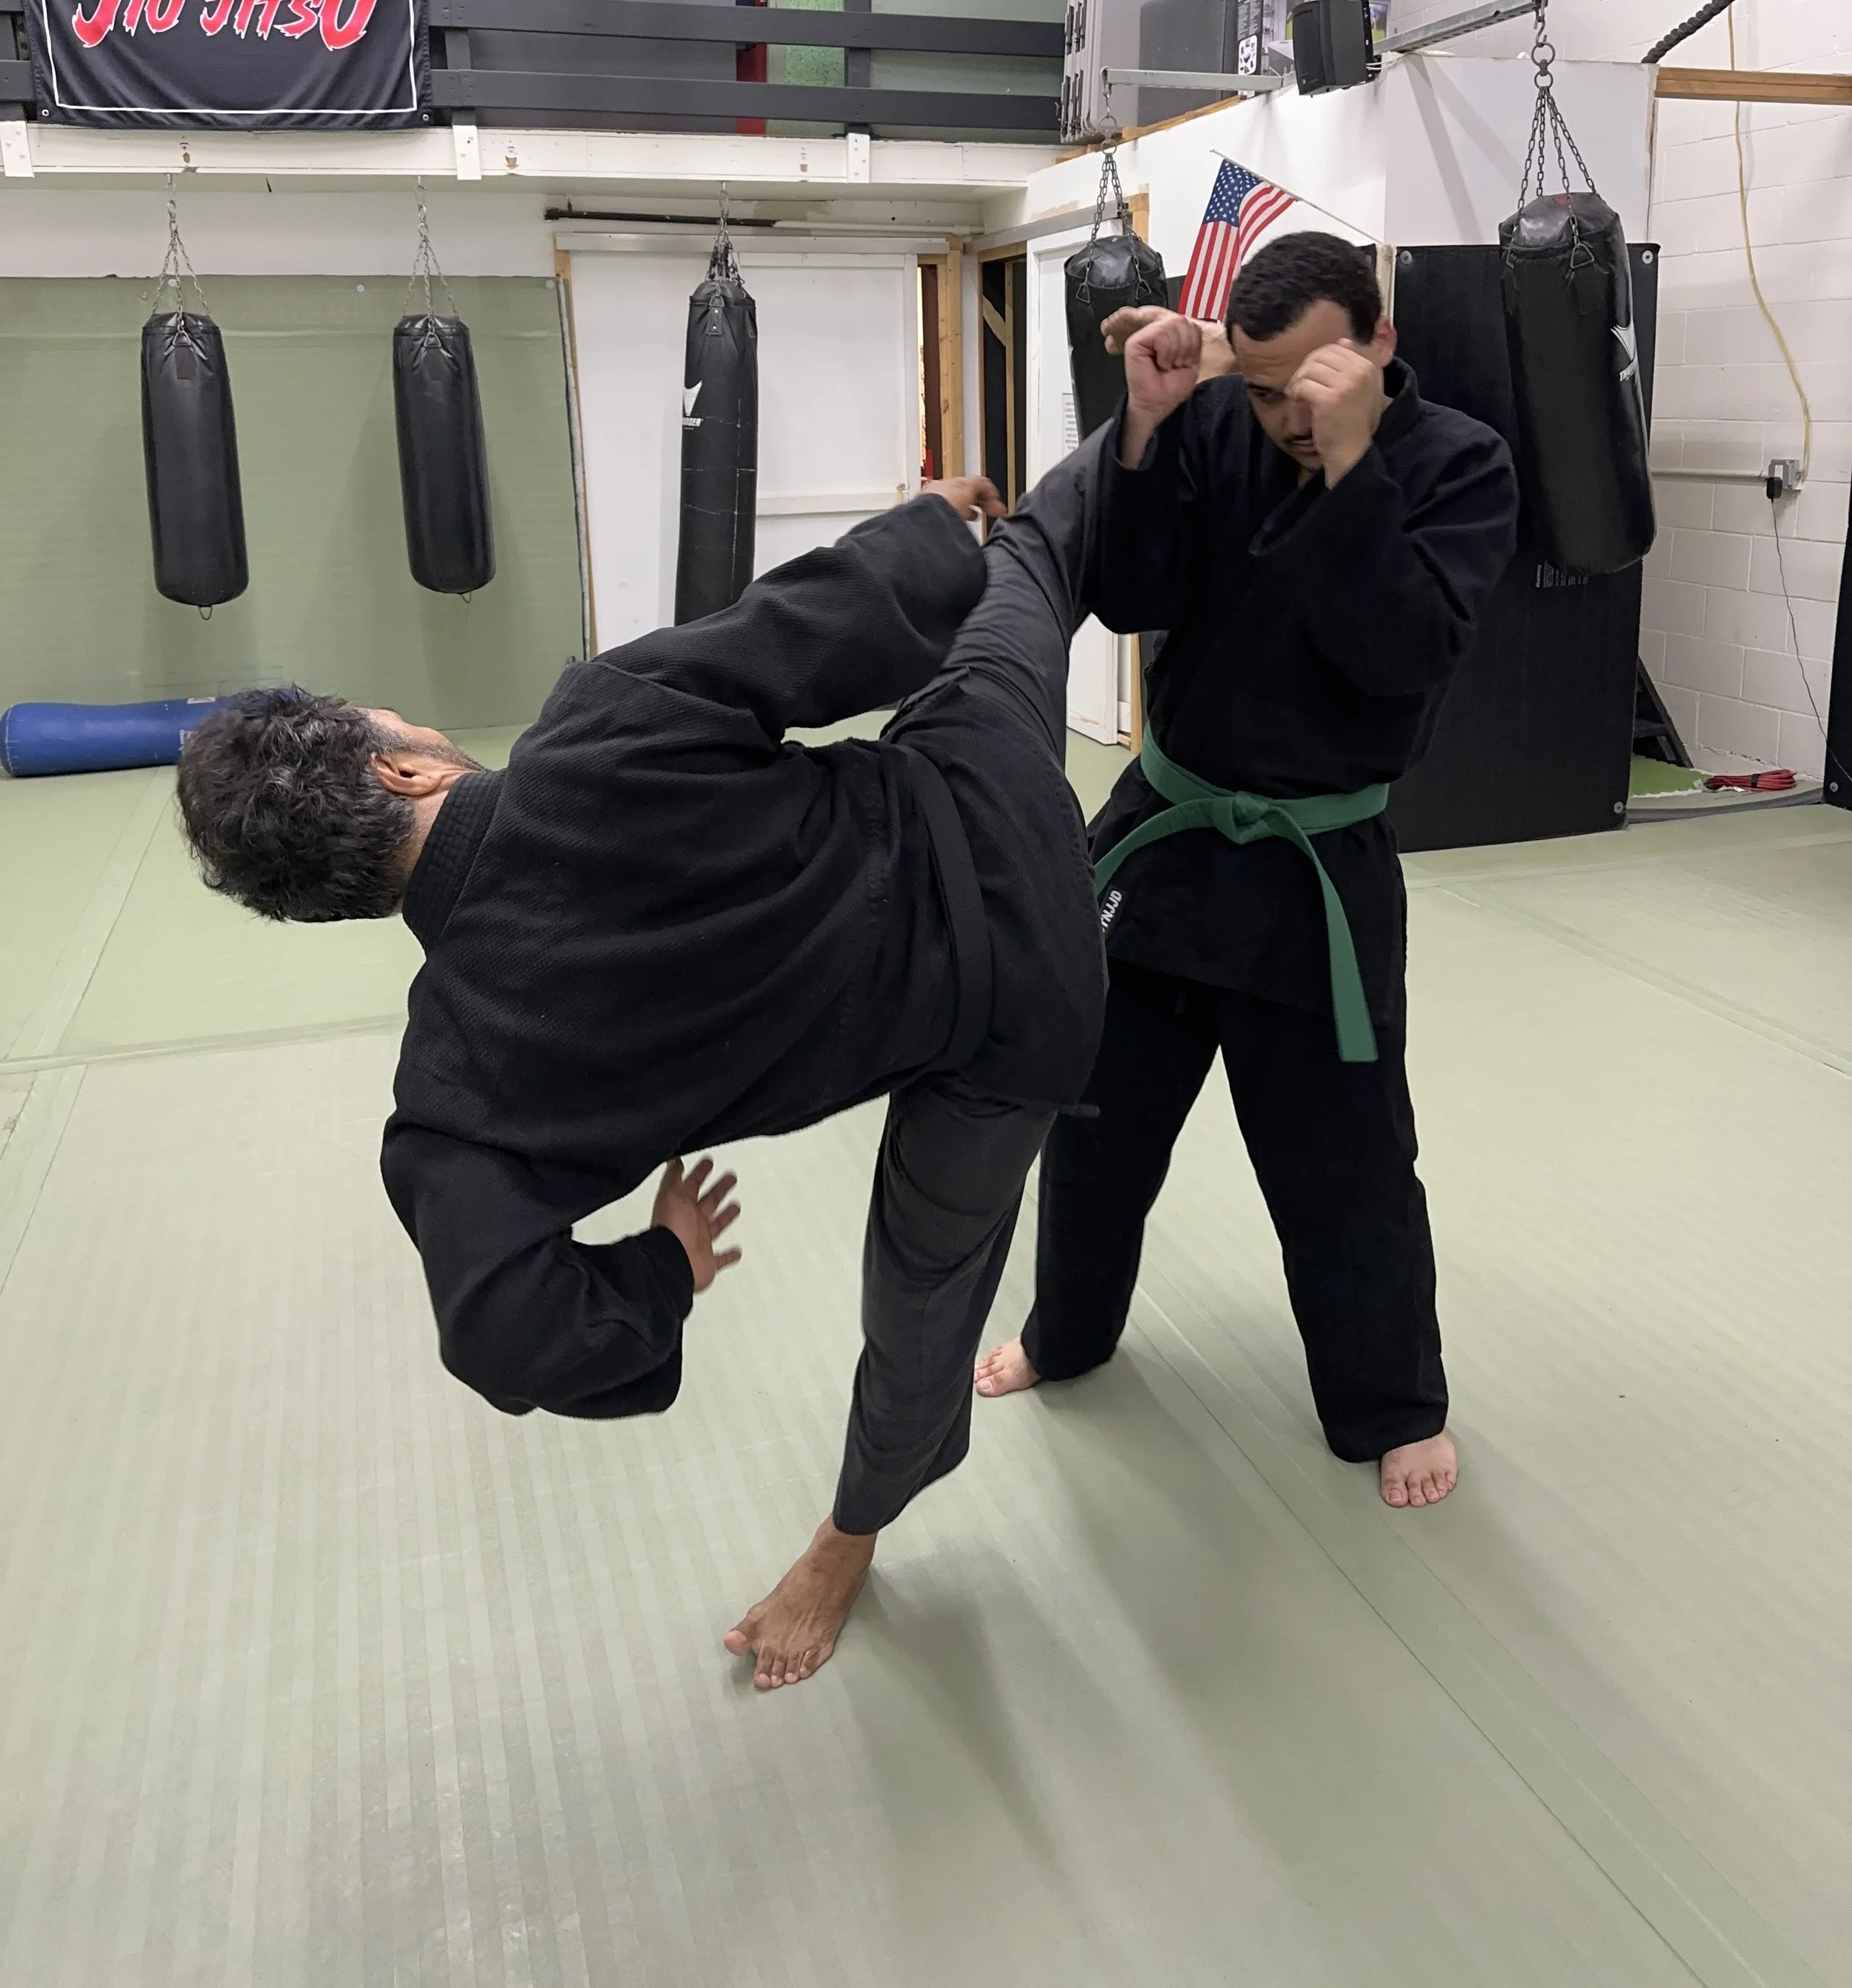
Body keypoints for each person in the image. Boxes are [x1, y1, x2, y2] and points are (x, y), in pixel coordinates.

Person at [176, 461, 1109, 1690]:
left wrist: (662, 1263)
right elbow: (844, 605)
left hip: (1020, 1029)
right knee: (1034, 559)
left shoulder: (455, 1092)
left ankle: (848, 1543)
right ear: (400, 767)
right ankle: (1154, 405)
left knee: (922, 1304)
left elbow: (507, 1335)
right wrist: (940, 523)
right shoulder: (602, 718)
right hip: (998, 792)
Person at [976, 230, 1519, 1508]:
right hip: (1161, 847)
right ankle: (1070, 1334)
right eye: (1259, 385)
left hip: (1315, 872)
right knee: (1094, 1128)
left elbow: (1399, 654)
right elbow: (1128, 593)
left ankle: (1394, 1406)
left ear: (1377, 342)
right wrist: (1149, 429)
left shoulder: (1460, 466)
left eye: (1301, 387)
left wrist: (1346, 468)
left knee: (1346, 1163)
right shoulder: (1222, 422)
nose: (1277, 414)